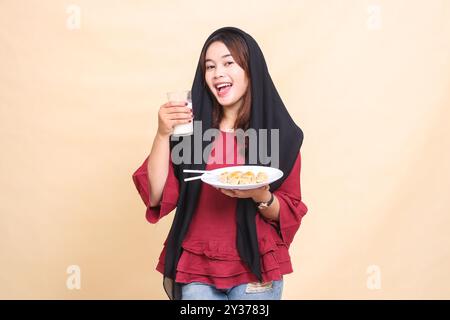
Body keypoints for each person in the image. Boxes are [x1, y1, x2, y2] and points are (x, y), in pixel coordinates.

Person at [132, 26, 308, 300]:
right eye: (210, 66)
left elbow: (289, 209)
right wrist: (163, 133)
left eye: (229, 63)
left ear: (251, 69)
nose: (218, 73)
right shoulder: (189, 131)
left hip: (256, 265)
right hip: (196, 265)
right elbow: (156, 194)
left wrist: (261, 195)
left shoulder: (280, 135)